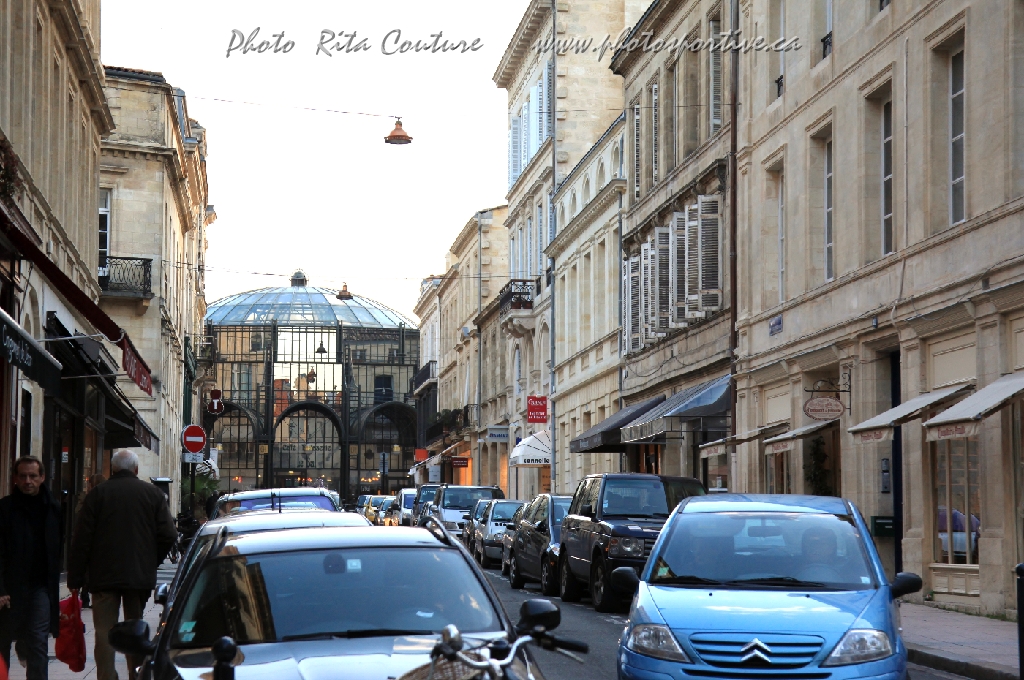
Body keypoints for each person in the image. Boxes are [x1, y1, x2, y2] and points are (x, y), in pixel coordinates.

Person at [68, 450, 176, 680]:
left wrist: (76, 576)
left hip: (103, 576)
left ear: (113, 469)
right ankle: (135, 674)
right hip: (138, 576)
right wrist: (151, 560)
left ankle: (107, 676)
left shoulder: (98, 494)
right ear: (136, 469)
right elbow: (168, 534)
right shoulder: (152, 494)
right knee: (135, 631)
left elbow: (82, 538)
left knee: (104, 633)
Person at [0, 457, 62, 680]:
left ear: (42, 477)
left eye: (33, 476)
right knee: (2, 642)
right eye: (23, 476)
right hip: (10, 588)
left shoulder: (52, 508)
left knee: (38, 641)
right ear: (15, 479)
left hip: (40, 587)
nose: (28, 481)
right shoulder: (5, 509)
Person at [74, 473, 106, 609]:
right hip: (94, 540)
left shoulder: (96, 499)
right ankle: (85, 594)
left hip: (93, 540)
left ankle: (86, 594)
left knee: (89, 569)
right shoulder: (88, 499)